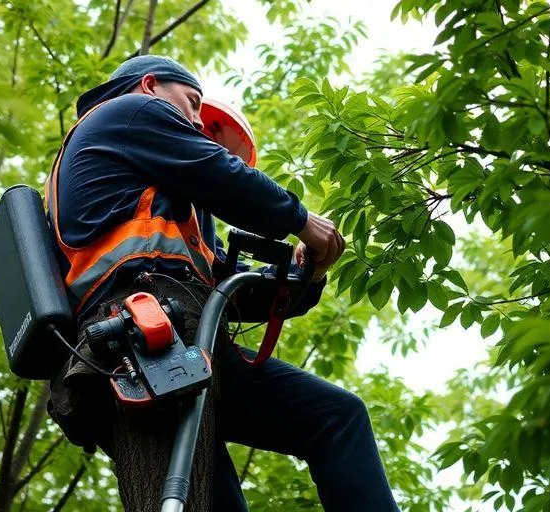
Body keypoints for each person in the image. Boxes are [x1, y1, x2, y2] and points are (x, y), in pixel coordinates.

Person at [44, 54, 399, 511]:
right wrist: (300, 220)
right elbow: (221, 174)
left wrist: (305, 274)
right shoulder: (128, 111)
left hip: (183, 336)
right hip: (146, 333)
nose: (195, 119)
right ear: (150, 85)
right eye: (192, 103)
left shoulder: (165, 216)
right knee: (333, 422)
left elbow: (237, 293)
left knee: (336, 418)